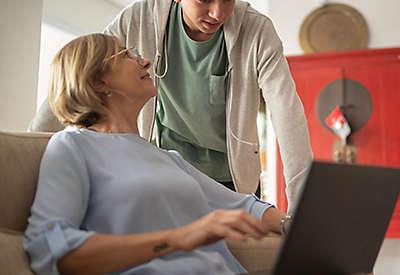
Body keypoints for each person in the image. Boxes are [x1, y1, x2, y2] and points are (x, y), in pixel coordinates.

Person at [29, 0, 312, 214]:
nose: (218, 13)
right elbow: (84, 71)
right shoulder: (137, 19)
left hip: (232, 180)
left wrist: (302, 208)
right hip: (166, 172)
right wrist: (27, 150)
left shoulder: (257, 30)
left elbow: (288, 113)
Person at [24, 33, 289, 275]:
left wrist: (295, 226)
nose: (146, 62)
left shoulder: (168, 158)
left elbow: (246, 206)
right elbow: (53, 251)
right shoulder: (72, 146)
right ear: (97, 81)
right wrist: (177, 238)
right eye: (127, 54)